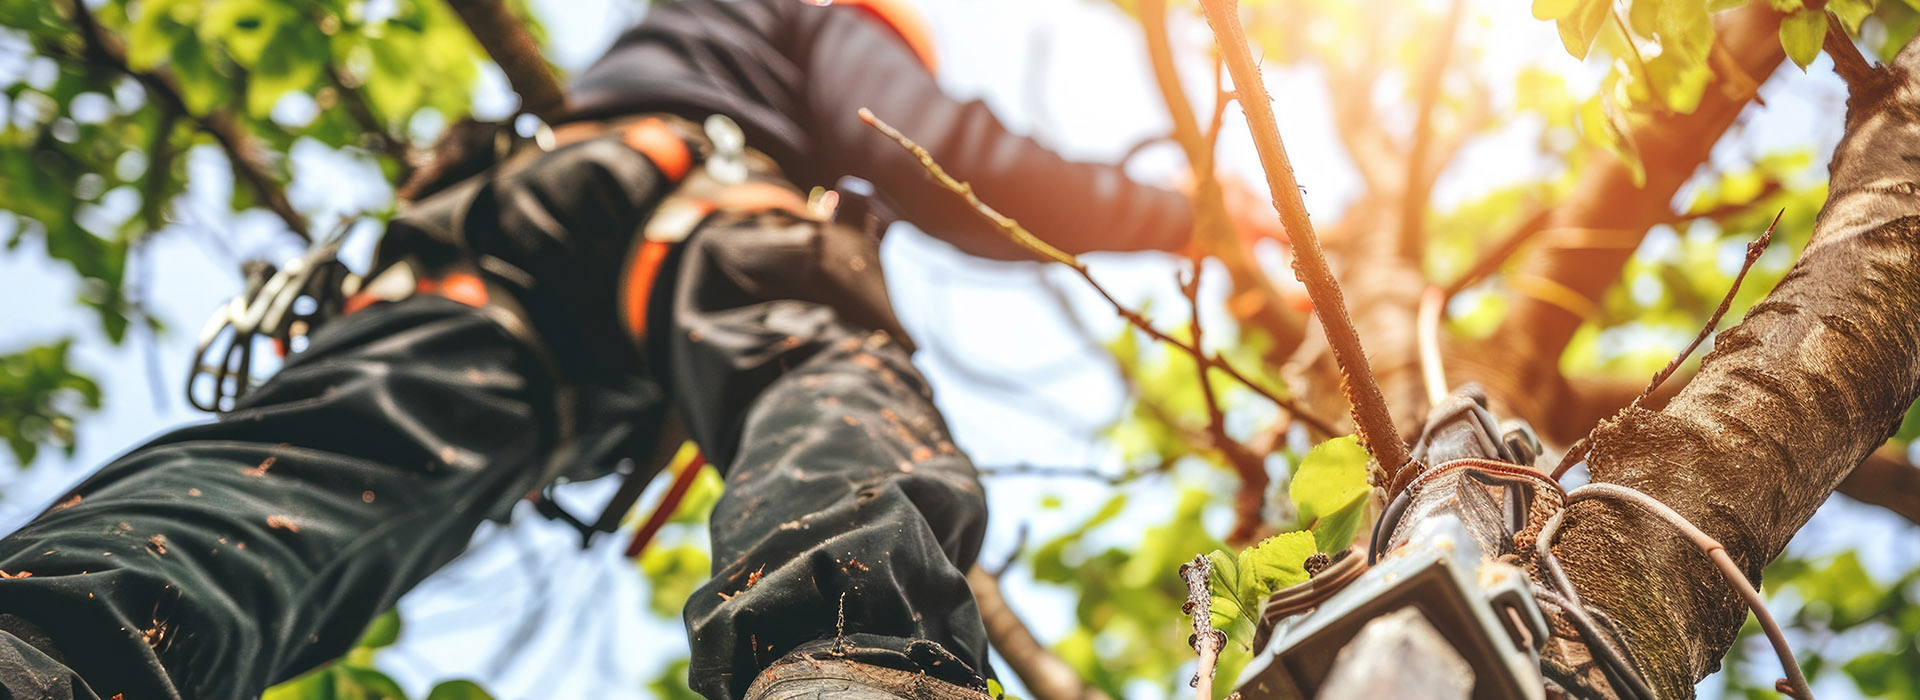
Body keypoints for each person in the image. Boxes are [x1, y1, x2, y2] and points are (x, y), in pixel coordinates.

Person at [0, 1, 1271, 698]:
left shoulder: (669, 26)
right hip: (710, 216)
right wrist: (1191, 216)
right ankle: (862, 674)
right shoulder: (819, 21)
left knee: (325, 459)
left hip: (506, 223)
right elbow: (946, 159)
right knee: (816, 388)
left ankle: (48, 643)